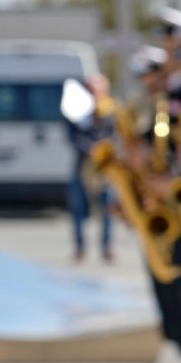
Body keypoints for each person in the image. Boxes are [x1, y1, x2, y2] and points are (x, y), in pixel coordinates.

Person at [64, 71, 120, 262]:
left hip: (104, 166)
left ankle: (106, 247)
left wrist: (103, 149)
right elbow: (72, 135)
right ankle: (79, 247)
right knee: (78, 207)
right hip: (83, 163)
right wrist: (90, 148)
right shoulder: (77, 108)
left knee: (107, 208)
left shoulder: (110, 110)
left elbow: (114, 134)